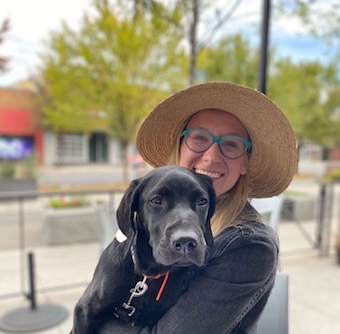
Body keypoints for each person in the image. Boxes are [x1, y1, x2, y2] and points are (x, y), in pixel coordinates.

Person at [97, 82, 298, 333]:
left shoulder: (249, 247)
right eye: (199, 138)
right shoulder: (150, 219)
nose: (212, 156)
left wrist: (96, 324)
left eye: (231, 144)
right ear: (180, 146)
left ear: (246, 162)